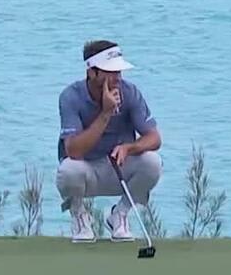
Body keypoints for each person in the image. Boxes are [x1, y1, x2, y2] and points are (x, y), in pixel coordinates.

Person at [57, 40, 163, 242]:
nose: (117, 78)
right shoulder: (70, 97)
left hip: (119, 168)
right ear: (92, 72)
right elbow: (73, 150)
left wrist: (129, 148)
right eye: (110, 72)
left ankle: (119, 215)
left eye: (119, 72)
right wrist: (105, 113)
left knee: (153, 163)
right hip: (86, 171)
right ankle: (80, 218)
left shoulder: (130, 93)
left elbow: (154, 138)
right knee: (68, 170)